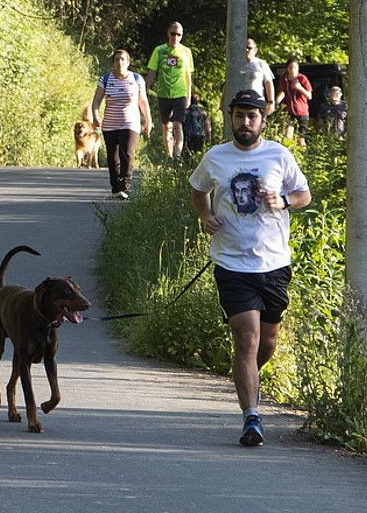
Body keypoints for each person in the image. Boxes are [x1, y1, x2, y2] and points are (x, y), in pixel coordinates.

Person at [189, 89, 311, 447]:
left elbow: (304, 194)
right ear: (231, 118)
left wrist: (285, 200)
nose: (245, 122)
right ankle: (251, 418)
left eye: (252, 116)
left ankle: (247, 378)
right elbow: (198, 188)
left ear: (263, 120)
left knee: (268, 340)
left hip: (274, 263)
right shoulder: (216, 157)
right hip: (231, 263)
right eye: (239, 116)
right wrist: (205, 216)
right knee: (247, 336)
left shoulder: (279, 155)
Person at [90, 49, 151, 200]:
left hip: (130, 123)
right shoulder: (105, 79)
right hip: (110, 124)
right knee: (113, 157)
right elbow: (96, 101)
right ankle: (115, 188)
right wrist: (96, 115)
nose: (119, 62)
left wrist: (147, 121)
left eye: (123, 59)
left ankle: (125, 186)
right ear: (113, 63)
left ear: (128, 62)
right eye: (116, 59)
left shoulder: (136, 79)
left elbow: (143, 101)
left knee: (127, 154)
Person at [146, 22, 194, 158]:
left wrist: (188, 96)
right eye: (173, 34)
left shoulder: (186, 52)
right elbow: (152, 72)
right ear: (168, 34)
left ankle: (177, 156)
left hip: (180, 93)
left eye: (179, 34)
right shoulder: (159, 50)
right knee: (166, 125)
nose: (175, 37)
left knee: (178, 124)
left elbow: (188, 76)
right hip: (164, 93)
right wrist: (143, 90)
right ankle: (169, 155)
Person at [274, 59, 313, 143]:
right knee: (287, 136)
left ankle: (303, 154)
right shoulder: (284, 79)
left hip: (302, 112)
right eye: (291, 68)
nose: (293, 70)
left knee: (301, 139)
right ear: (287, 69)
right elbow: (282, 92)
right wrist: (276, 102)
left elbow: (309, 96)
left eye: (295, 67)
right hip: (289, 111)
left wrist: (300, 88)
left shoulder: (302, 78)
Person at [243, 39, 276, 117]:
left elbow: (268, 83)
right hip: (239, 102)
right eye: (244, 47)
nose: (246, 50)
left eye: (249, 48)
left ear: (255, 50)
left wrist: (271, 102)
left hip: (256, 102)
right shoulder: (236, 65)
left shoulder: (261, 64)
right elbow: (228, 83)